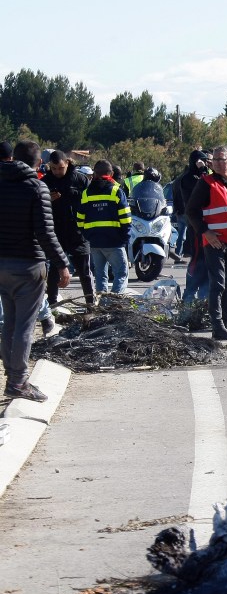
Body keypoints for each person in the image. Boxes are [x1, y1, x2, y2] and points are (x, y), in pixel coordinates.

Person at [0, 140, 70, 401]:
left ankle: (12, 377)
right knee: (24, 327)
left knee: (9, 322)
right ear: (38, 163)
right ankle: (18, 381)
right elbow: (45, 233)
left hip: (2, 264)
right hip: (28, 265)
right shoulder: (36, 187)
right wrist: (62, 263)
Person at [186, 145, 227, 341]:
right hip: (214, 242)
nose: (215, 163)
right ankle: (217, 326)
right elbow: (192, 211)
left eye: (220, 160)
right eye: (213, 160)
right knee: (218, 284)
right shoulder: (205, 183)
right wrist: (206, 232)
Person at [41, 150, 95, 308]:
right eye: (54, 168)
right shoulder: (45, 181)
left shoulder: (80, 179)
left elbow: (89, 202)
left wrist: (74, 196)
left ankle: (90, 304)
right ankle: (52, 304)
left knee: (84, 271)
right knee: (53, 270)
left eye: (60, 168)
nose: (57, 172)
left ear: (68, 164)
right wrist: (47, 199)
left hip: (77, 230)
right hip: (55, 230)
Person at [78, 160, 131, 294]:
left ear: (94, 173)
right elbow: (126, 218)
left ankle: (102, 306)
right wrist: (125, 238)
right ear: (111, 173)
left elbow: (79, 219)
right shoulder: (116, 191)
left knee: (100, 276)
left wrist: (88, 235)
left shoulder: (86, 193)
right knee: (121, 273)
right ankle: (114, 303)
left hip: (95, 242)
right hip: (115, 242)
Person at [176, 150, 211, 303]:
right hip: (196, 225)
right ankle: (189, 294)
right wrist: (203, 170)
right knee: (197, 259)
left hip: (207, 223)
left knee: (207, 261)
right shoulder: (189, 178)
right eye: (202, 160)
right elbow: (203, 188)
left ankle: (204, 295)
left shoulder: (200, 176)